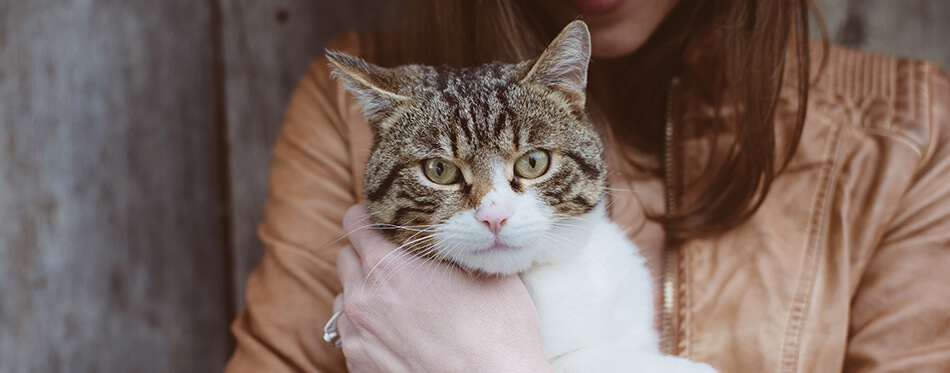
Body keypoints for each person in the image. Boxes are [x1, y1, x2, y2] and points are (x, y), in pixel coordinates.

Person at [225, 0, 950, 371]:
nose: (493, 209)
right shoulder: (347, 112)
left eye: (529, 166)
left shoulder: (909, 132)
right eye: (444, 171)